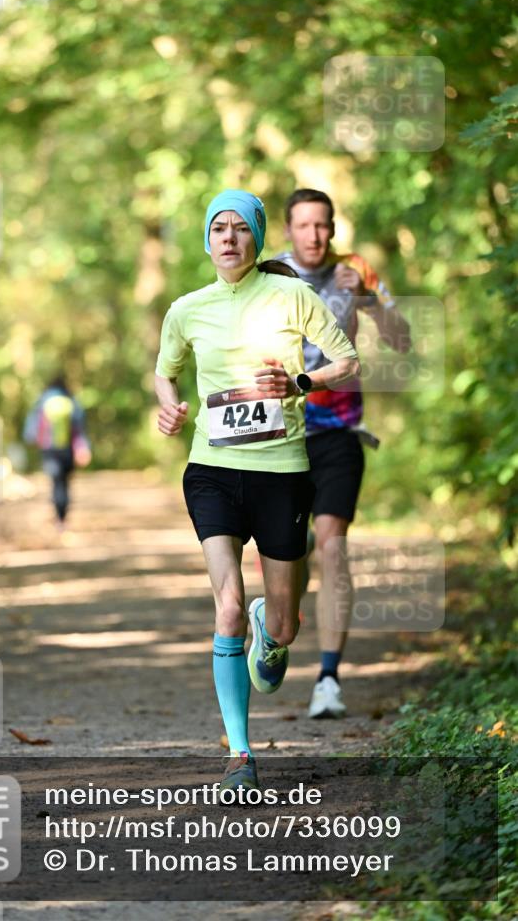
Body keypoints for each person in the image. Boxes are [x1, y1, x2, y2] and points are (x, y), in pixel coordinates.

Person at [154, 189, 359, 791]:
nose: (228, 238)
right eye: (218, 228)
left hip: (282, 473)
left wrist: (299, 381)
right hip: (211, 471)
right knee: (227, 606)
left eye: (240, 228)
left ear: (257, 237)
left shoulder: (293, 294)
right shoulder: (186, 309)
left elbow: (346, 360)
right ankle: (240, 756)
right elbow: (164, 372)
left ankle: (278, 622)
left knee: (286, 629)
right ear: (206, 239)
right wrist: (168, 409)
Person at [271, 188, 411, 719]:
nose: (314, 236)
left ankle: (328, 678)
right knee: (288, 552)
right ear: (288, 230)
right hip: (279, 434)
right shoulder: (267, 273)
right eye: (304, 226)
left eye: (323, 225)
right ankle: (277, 628)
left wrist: (370, 302)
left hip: (339, 432)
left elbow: (401, 340)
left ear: (333, 227)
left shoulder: (356, 270)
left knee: (333, 546)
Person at [23, 375, 91, 527]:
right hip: (67, 451)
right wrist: (83, 448)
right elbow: (79, 430)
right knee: (65, 483)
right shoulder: (71, 401)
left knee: (56, 483)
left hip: (49, 450)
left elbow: (31, 428)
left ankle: (58, 519)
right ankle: (63, 516)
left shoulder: (42, 401)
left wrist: (32, 440)